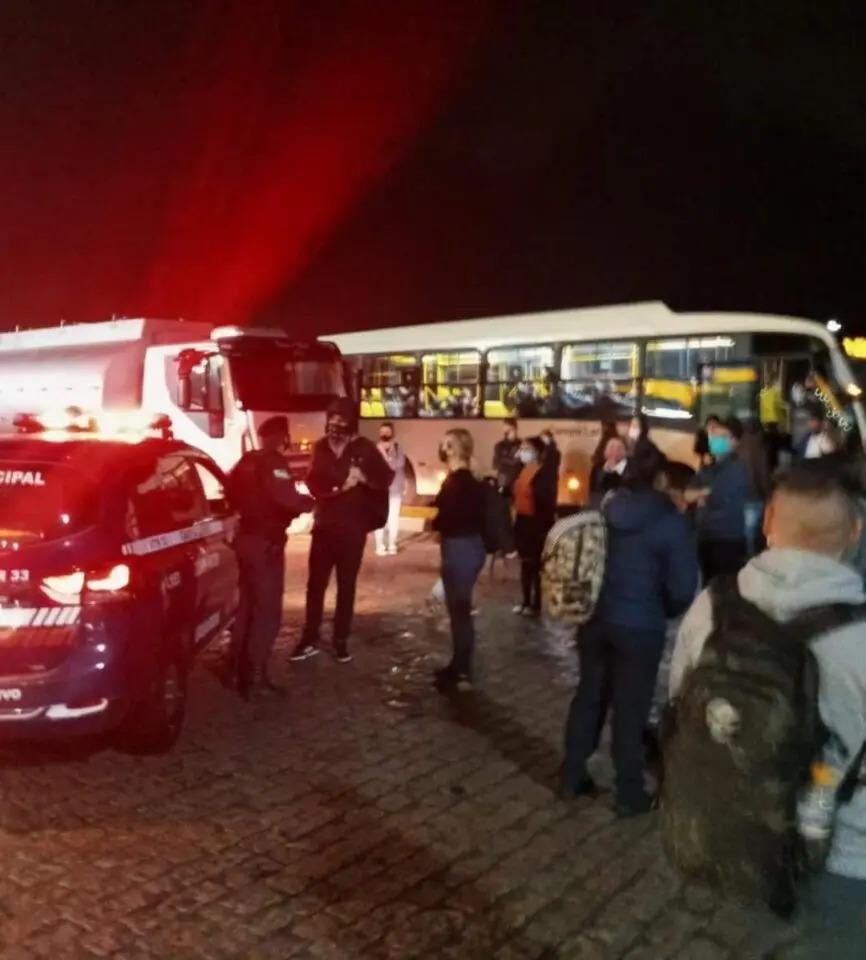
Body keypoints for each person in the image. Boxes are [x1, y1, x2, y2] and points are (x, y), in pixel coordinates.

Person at [669, 468, 866, 956]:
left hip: (732, 833)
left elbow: (679, 700)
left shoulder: (711, 606)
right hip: (841, 858)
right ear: (856, 532)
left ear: (768, 523)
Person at [562, 446, 698, 816]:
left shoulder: (605, 506)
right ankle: (629, 793)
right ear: (661, 480)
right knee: (631, 707)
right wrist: (660, 609)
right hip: (640, 627)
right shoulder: (671, 522)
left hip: (595, 619)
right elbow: (684, 587)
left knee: (589, 696)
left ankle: (571, 776)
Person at [294, 398, 394, 663]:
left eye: (341, 419)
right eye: (332, 418)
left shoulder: (365, 448)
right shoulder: (320, 448)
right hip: (325, 527)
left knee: (346, 587)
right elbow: (313, 481)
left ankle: (340, 639)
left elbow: (385, 478)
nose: (335, 424)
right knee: (315, 586)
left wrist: (364, 478)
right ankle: (310, 637)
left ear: (351, 421)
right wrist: (340, 484)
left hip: (352, 531)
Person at [228, 416, 314, 700]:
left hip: (244, 542)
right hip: (266, 546)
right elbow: (286, 498)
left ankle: (235, 670)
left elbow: (229, 491)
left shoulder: (245, 461)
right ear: (279, 436)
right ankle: (254, 678)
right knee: (266, 612)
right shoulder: (274, 462)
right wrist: (308, 503)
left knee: (244, 608)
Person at [432, 428, 487, 691]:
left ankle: (462, 671)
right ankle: (458, 664)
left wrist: (435, 522)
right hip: (467, 548)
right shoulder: (469, 480)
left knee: (460, 611)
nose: (442, 450)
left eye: (445, 445)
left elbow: (447, 517)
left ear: (453, 450)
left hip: (460, 549)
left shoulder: (458, 482)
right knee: (458, 611)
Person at [686, 416, 750, 584]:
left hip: (726, 540)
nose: (714, 440)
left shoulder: (736, 468)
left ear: (733, 441)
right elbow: (687, 494)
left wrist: (703, 495)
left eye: (721, 437)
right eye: (713, 436)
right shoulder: (709, 468)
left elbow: (716, 498)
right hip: (706, 538)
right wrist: (702, 493)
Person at [511, 437, 556, 616]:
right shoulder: (522, 471)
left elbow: (545, 503)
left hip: (535, 524)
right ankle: (525, 601)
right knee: (524, 564)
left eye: (527, 448)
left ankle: (535, 604)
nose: (522, 451)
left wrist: (543, 529)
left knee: (535, 566)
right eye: (522, 448)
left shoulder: (542, 473)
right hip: (522, 522)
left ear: (537, 452)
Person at [374, 422, 406, 556]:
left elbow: (400, 463)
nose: (385, 434)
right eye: (383, 431)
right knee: (380, 517)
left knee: (394, 516)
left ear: (392, 433)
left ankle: (392, 544)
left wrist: (387, 460)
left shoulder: (398, 447)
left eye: (387, 431)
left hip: (395, 487)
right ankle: (380, 546)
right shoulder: (375, 448)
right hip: (379, 488)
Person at [588, 436, 628, 508]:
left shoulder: (631, 470)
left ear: (625, 451)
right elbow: (592, 494)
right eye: (611, 447)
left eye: (619, 448)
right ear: (605, 450)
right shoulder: (597, 469)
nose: (615, 451)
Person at [493, 418, 521, 493]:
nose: (508, 432)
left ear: (515, 429)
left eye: (510, 429)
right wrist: (512, 460)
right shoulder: (499, 446)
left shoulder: (521, 445)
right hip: (503, 481)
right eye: (506, 429)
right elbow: (496, 464)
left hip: (518, 481)